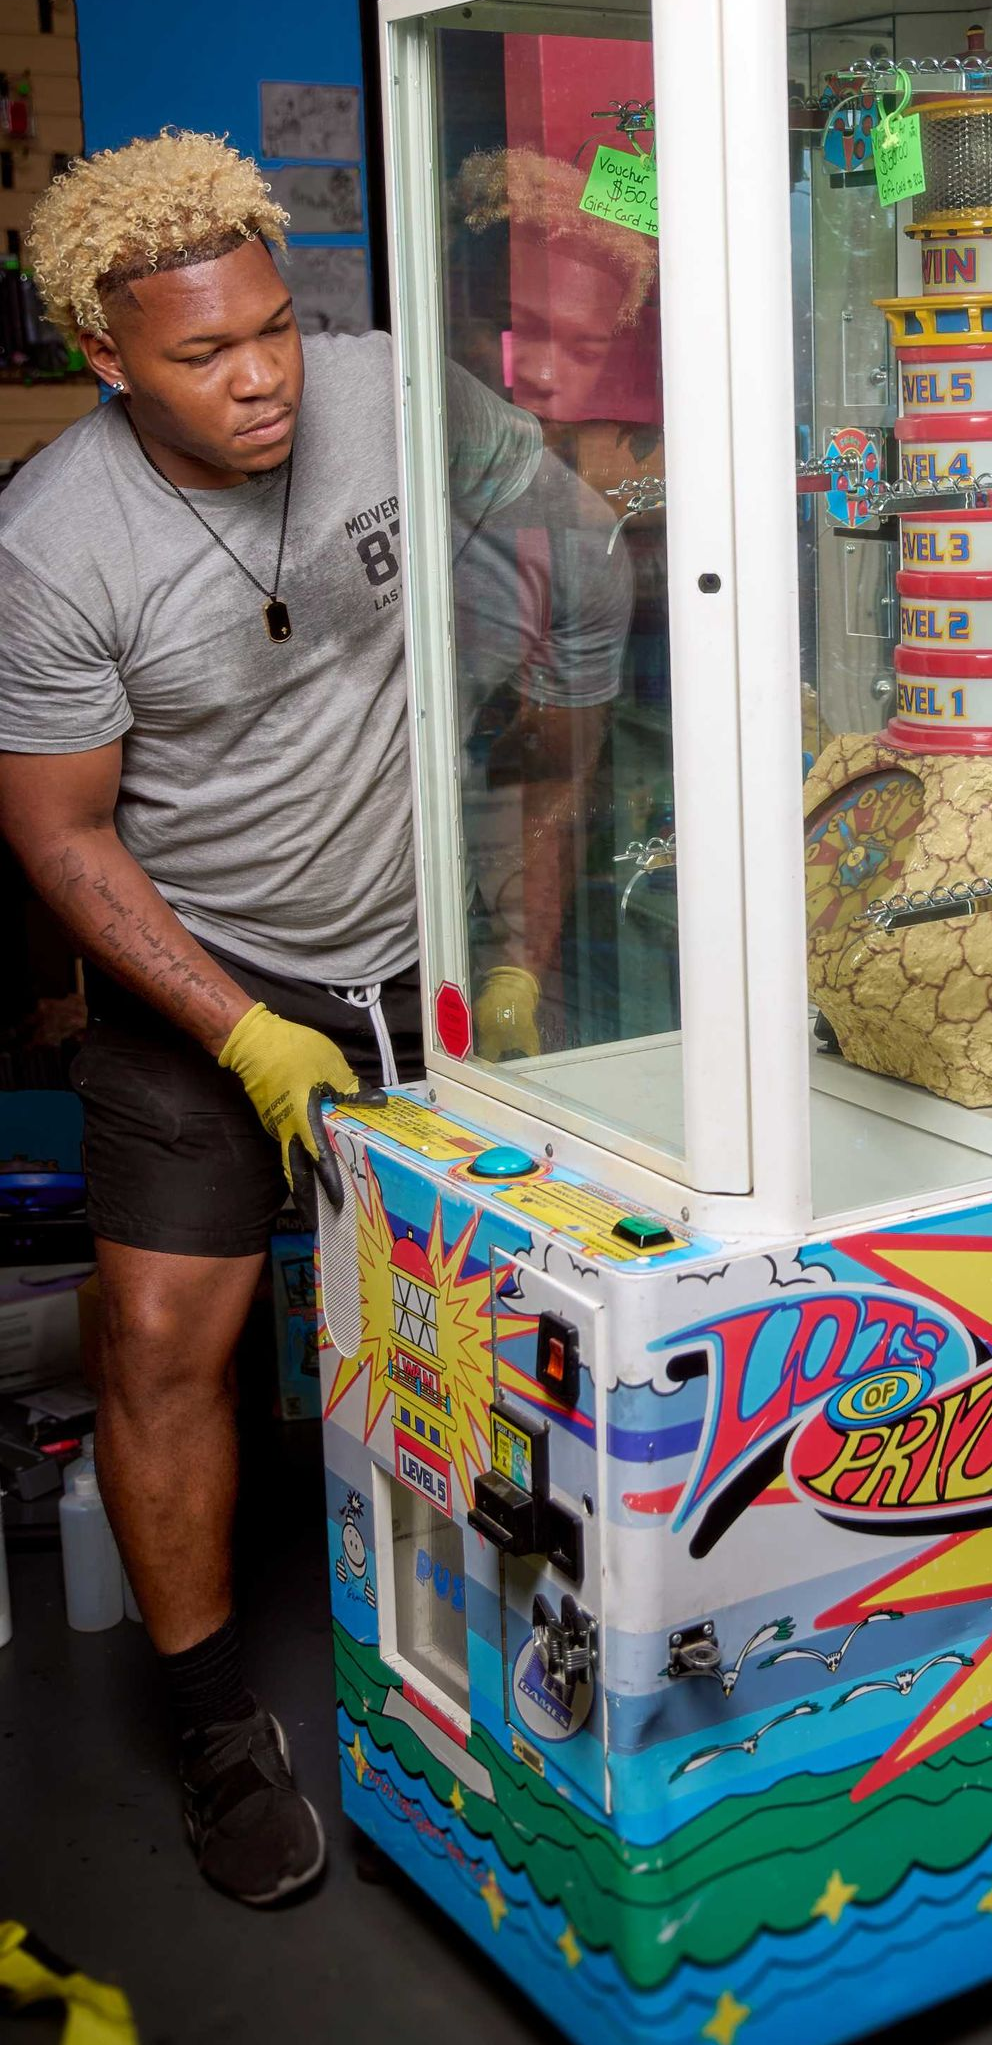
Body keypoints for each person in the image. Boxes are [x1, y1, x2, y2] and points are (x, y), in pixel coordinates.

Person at [0, 131, 630, 1905]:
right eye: (204, 354)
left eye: (273, 327)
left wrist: (531, 903)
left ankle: (538, 1668)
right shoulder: (53, 549)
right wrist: (239, 1029)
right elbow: (54, 830)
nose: (262, 374)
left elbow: (570, 540)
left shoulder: (378, 389)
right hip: (198, 972)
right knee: (161, 1338)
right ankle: (210, 1728)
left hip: (425, 947)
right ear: (109, 359)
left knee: (522, 1318)